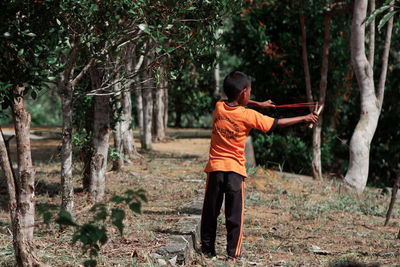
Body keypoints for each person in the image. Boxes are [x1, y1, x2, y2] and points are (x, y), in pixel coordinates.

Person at [201, 71, 318, 260]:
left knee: (210, 213)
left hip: (215, 169)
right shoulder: (248, 115)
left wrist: (259, 104)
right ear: (244, 92)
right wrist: (304, 118)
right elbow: (276, 123)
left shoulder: (219, 107)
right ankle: (232, 256)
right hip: (234, 172)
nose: (250, 95)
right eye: (249, 91)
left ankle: (207, 252)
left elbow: (234, 99)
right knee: (234, 217)